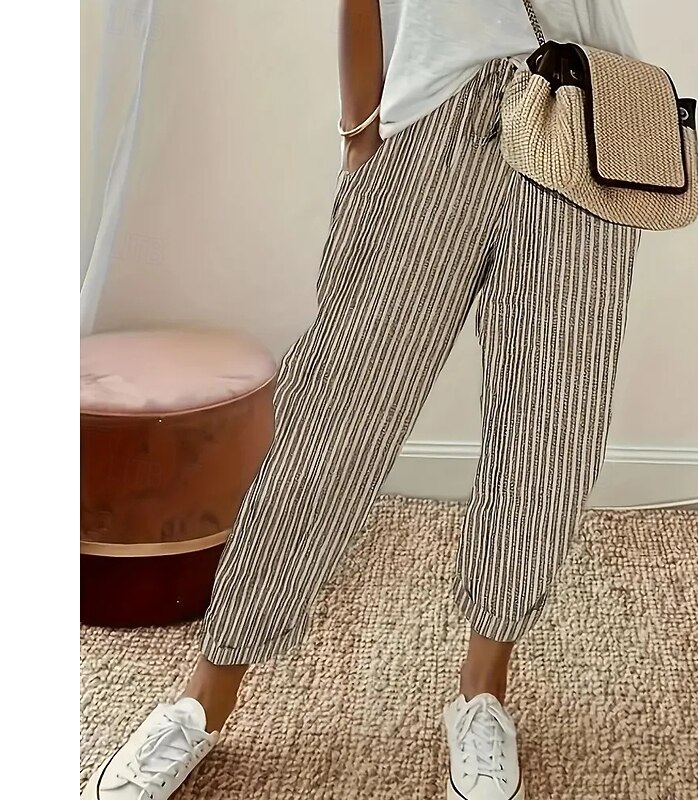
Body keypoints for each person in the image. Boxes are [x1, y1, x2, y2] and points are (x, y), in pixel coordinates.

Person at [82, 2, 640, 798]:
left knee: (551, 425)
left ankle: (483, 691)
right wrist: (360, 132)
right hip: (431, 118)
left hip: (581, 113)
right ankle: (204, 695)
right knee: (334, 417)